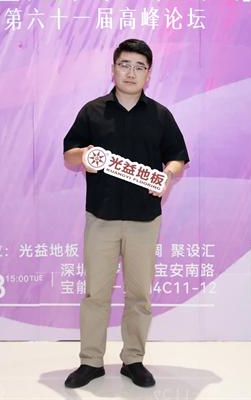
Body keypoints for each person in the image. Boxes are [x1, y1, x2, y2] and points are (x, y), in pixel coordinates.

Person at [62, 38, 189, 389]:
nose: (131, 73)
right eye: (125, 65)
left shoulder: (160, 116)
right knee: (96, 294)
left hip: (144, 219)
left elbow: (177, 157)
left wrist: (168, 175)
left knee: (139, 295)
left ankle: (133, 360)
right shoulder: (92, 112)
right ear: (113, 68)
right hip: (100, 217)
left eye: (139, 67)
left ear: (148, 74)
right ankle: (91, 362)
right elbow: (69, 154)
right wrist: (83, 157)